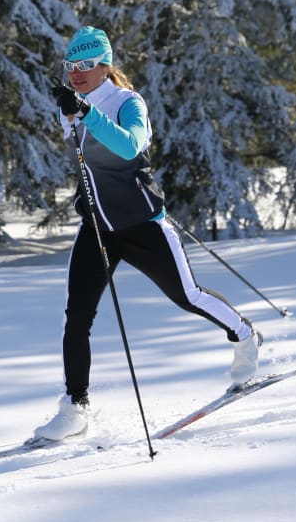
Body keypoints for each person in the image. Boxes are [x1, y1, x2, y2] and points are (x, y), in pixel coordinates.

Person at [33, 26, 261, 441]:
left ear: (106, 66)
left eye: (87, 65)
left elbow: (129, 147)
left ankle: (245, 333)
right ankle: (75, 407)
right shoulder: (67, 107)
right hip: (98, 227)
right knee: (77, 317)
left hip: (142, 225)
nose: (77, 73)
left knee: (186, 296)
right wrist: (76, 112)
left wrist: (86, 114)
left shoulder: (127, 102)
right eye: (71, 66)